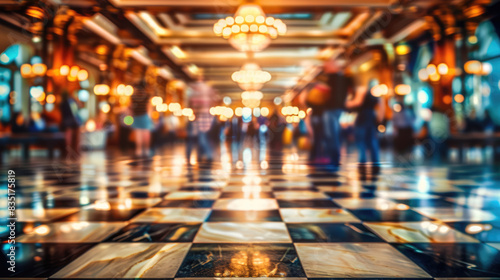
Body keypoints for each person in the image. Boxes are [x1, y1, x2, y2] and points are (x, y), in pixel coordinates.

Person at [346, 79, 383, 164]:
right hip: (371, 117)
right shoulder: (377, 94)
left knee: (361, 140)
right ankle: (375, 160)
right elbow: (382, 107)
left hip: (362, 117)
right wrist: (379, 120)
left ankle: (362, 160)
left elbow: (358, 103)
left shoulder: (363, 90)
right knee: (372, 140)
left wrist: (345, 103)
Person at [322, 59, 352, 166]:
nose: (325, 67)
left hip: (332, 109)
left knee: (331, 134)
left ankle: (333, 158)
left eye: (327, 65)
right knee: (332, 134)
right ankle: (332, 158)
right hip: (336, 109)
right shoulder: (341, 78)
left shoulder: (334, 79)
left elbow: (327, 95)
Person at [187, 75, 217, 162]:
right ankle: (203, 154)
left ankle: (208, 154)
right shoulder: (208, 89)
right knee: (201, 136)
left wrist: (195, 111)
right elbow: (212, 101)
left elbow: (192, 102)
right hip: (205, 115)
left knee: (201, 136)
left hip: (201, 115)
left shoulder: (196, 89)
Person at [130, 81, 153, 157]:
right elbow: (149, 106)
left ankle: (138, 150)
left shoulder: (133, 96)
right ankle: (146, 150)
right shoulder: (146, 95)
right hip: (144, 116)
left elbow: (131, 107)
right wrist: (149, 117)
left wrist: (132, 115)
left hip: (136, 116)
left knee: (138, 134)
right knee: (146, 134)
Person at [60, 89, 82, 157]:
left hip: (67, 123)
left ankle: (70, 151)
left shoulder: (62, 103)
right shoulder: (71, 101)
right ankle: (74, 151)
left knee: (69, 138)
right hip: (73, 122)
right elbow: (75, 112)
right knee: (74, 138)